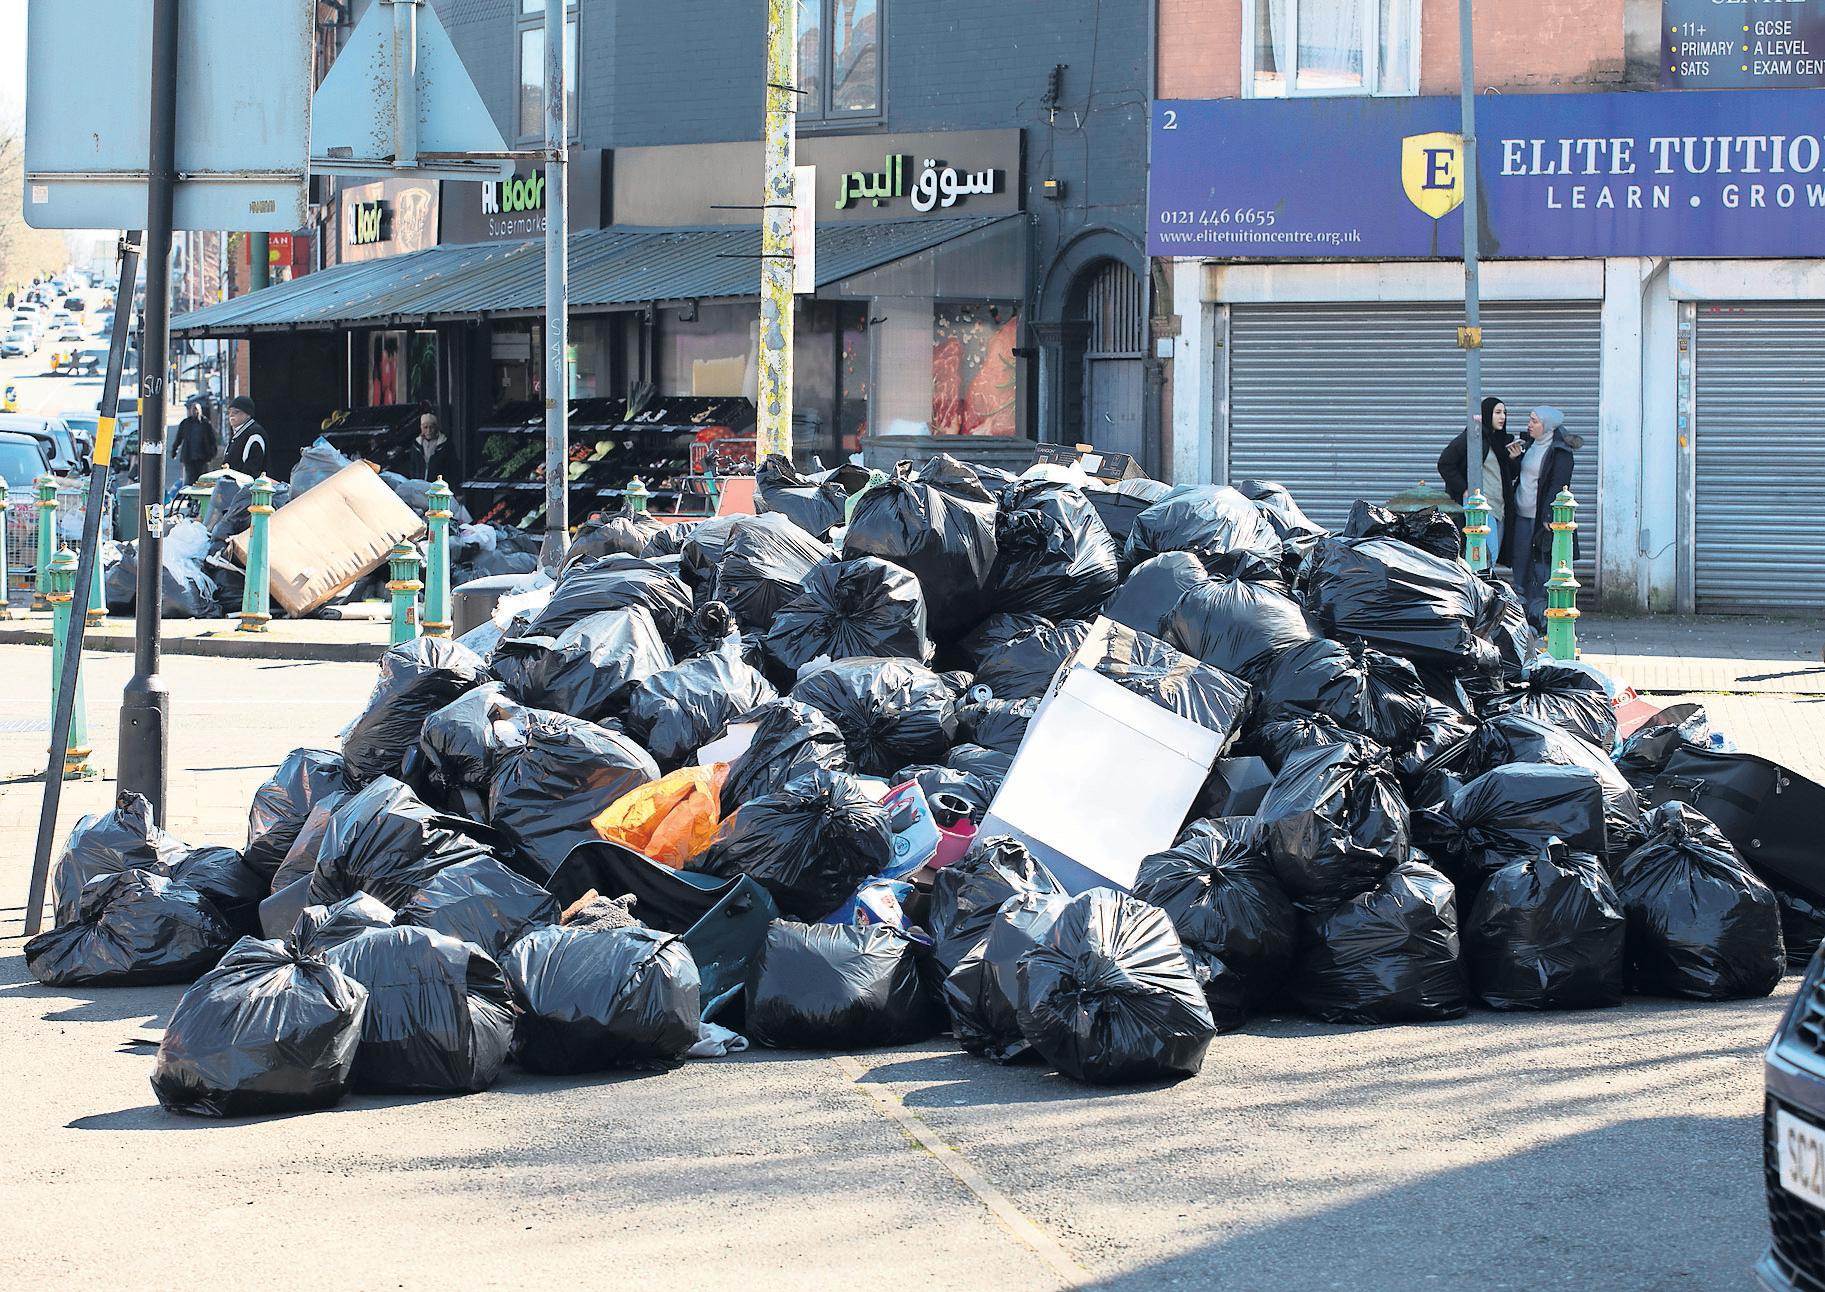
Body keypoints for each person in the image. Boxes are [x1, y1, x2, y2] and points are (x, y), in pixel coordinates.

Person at [1510, 406, 1583, 631]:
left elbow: (1559, 484)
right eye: (1529, 420)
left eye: (1534, 421)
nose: (1528, 425)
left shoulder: (1560, 452)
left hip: (1542, 521)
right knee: (1520, 564)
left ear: (1547, 426)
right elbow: (1520, 477)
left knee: (1541, 569)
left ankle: (1540, 617)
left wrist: (1549, 516)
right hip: (1522, 516)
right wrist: (1514, 460)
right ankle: (1521, 615)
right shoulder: (1530, 446)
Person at [1437, 395, 1523, 568]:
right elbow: (1445, 463)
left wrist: (1513, 460)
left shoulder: (1497, 441)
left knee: (1491, 556)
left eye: (1505, 412)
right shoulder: (1473, 438)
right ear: (1486, 413)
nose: (1502, 417)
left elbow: (1503, 475)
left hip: (1499, 507)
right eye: (1497, 412)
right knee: (1483, 557)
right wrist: (1464, 489)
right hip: (1480, 507)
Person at [169, 396, 217, 488]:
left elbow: (212, 440)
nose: (195, 411)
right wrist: (174, 451)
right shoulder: (185, 423)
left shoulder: (205, 423)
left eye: (196, 409)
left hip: (203, 457)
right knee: (190, 479)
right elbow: (179, 438)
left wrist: (212, 454)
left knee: (202, 480)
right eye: (193, 409)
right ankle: (191, 500)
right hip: (189, 457)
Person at [403, 411, 456, 482]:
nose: (429, 430)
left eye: (431, 427)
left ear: (436, 427)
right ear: (421, 428)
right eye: (425, 427)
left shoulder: (445, 444)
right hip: (420, 486)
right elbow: (413, 466)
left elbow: (452, 468)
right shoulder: (416, 445)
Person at [223, 395, 268, 477]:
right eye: (229, 412)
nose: (231, 415)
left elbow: (252, 470)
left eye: (236, 412)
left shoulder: (254, 434)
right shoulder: (238, 433)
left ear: (248, 414)